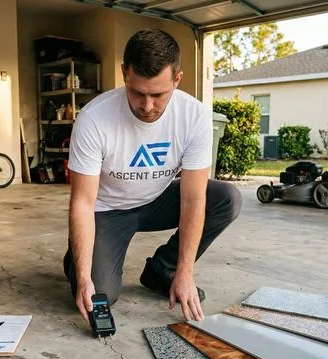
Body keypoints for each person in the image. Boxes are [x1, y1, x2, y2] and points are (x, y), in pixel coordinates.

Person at [62, 29, 242, 325]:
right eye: (137, 93)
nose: (147, 107)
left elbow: (194, 199)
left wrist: (185, 272)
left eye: (158, 95)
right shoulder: (94, 119)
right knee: (102, 296)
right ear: (124, 75)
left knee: (225, 198)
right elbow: (82, 202)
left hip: (157, 199)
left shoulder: (194, 116)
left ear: (177, 80)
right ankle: (77, 260)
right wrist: (83, 278)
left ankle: (163, 270)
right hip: (107, 211)